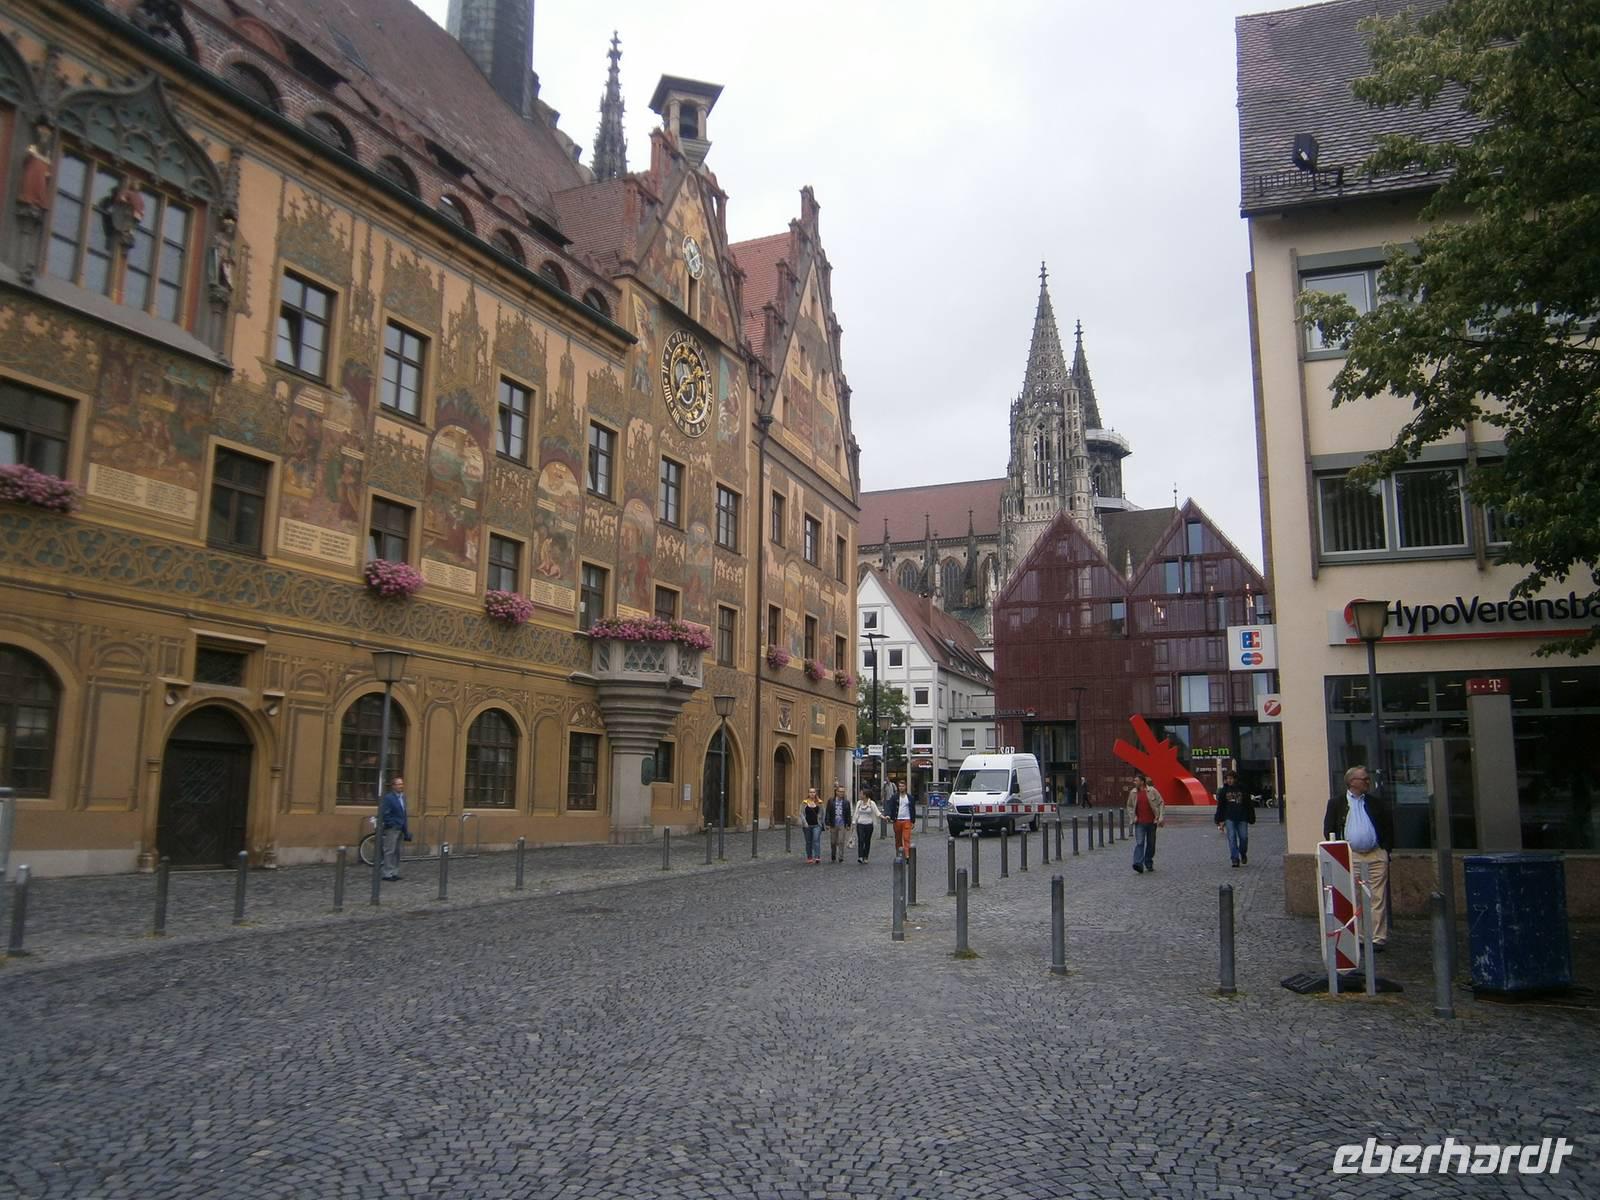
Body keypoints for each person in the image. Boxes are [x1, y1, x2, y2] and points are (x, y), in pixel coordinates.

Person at [1323, 765, 1393, 949]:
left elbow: (1387, 826)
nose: (1368, 782)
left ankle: (1378, 937)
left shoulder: (1375, 803)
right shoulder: (1337, 803)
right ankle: (1360, 936)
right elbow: (1328, 829)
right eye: (1364, 779)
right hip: (1351, 855)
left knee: (1378, 897)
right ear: (1352, 782)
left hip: (1376, 854)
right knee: (1356, 897)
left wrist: (1386, 849)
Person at [1213, 769, 1256, 867]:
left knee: (1243, 838)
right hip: (1229, 818)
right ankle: (1235, 858)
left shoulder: (1243, 789)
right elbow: (1221, 806)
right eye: (1227, 779)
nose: (1229, 781)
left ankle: (1243, 853)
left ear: (1235, 779)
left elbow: (1248, 804)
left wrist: (1251, 816)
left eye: (1231, 779)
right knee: (1231, 838)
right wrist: (1219, 819)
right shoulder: (1224, 791)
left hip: (1242, 817)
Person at [1125, 772, 1164, 874]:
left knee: (1151, 844)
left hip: (1152, 822)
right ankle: (1138, 863)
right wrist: (1133, 817)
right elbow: (1129, 806)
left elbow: (1161, 803)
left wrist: (1160, 817)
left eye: (1136, 781)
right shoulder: (1133, 793)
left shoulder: (1152, 791)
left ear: (1142, 782)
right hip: (1139, 823)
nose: (1134, 782)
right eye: (1134, 781)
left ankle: (1148, 862)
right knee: (1140, 842)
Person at [378, 775, 411, 881]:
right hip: (392, 828)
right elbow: (385, 813)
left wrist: (405, 828)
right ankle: (387, 873)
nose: (401, 786)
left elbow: (404, 813)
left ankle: (395, 872)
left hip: (401, 827)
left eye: (402, 784)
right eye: (398, 784)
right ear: (393, 786)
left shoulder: (403, 797)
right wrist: (392, 823)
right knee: (389, 850)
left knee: (397, 851)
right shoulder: (389, 798)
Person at [852, 788, 885, 863]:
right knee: (861, 840)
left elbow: (877, 812)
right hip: (860, 824)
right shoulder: (859, 803)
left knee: (867, 841)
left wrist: (884, 817)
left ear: (865, 795)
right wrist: (854, 822)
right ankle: (860, 856)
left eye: (861, 793)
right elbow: (856, 813)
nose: (860, 795)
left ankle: (866, 856)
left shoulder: (871, 803)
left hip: (869, 825)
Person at [824, 783, 852, 863]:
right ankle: (833, 855)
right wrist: (827, 823)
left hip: (842, 824)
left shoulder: (846, 802)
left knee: (841, 841)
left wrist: (848, 824)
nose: (841, 793)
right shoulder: (831, 801)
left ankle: (840, 857)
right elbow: (828, 812)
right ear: (836, 792)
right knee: (833, 841)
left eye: (843, 792)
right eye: (840, 791)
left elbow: (848, 814)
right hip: (833, 823)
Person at [891, 782, 916, 859]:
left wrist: (913, 821)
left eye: (902, 786)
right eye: (900, 786)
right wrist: (891, 817)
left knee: (906, 838)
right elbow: (891, 807)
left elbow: (913, 809)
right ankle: (899, 853)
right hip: (897, 820)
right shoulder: (894, 797)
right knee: (898, 839)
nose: (901, 788)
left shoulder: (910, 798)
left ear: (905, 787)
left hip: (907, 820)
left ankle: (907, 855)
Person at [801, 787, 823, 864]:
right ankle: (809, 857)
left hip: (817, 825)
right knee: (808, 842)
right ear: (808, 793)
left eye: (813, 792)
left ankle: (817, 857)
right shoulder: (804, 802)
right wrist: (804, 823)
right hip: (807, 826)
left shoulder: (819, 802)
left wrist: (821, 823)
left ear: (815, 793)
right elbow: (802, 814)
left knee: (816, 840)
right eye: (810, 792)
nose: (812, 794)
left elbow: (821, 813)